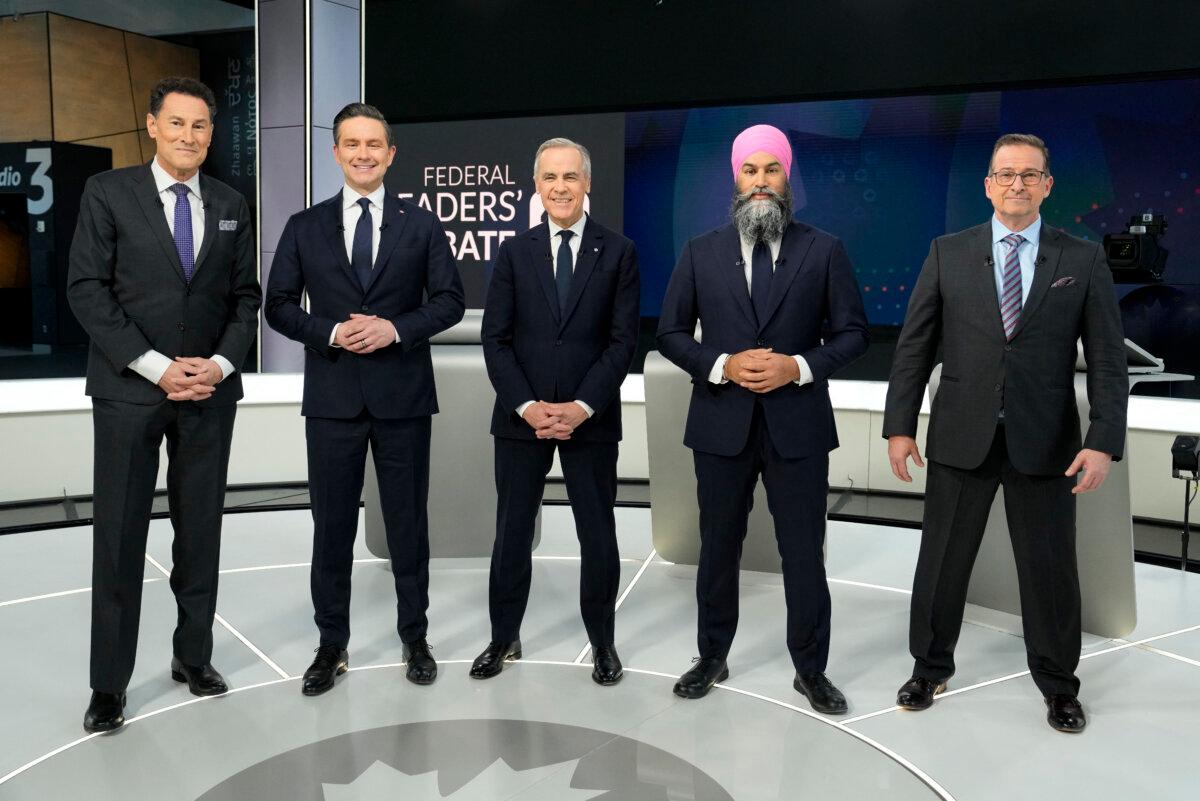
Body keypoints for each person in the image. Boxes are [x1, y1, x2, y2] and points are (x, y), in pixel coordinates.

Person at [882, 133, 1127, 733]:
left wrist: (1101, 439)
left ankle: (1058, 686)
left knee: (1048, 570)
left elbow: (1106, 358)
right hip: (961, 436)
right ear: (988, 184)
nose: (1017, 184)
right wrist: (898, 427)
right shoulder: (948, 251)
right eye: (1005, 174)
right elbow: (914, 347)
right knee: (941, 562)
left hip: (1046, 442)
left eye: (1029, 175)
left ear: (1047, 185)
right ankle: (929, 666)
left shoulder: (1082, 258)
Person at [67, 77, 261, 733]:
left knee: (200, 532)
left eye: (201, 126)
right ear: (151, 125)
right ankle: (109, 685)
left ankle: (193, 657)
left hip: (209, 392)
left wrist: (220, 363)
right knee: (119, 539)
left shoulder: (233, 202)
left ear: (212, 132)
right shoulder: (108, 193)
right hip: (129, 391)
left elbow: (245, 299)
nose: (188, 136)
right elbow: (88, 291)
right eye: (176, 124)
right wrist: (157, 368)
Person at [656, 124, 868, 713]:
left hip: (797, 427)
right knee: (718, 546)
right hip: (720, 426)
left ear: (786, 177)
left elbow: (853, 335)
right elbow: (669, 335)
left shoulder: (823, 250)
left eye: (770, 170)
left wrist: (797, 367)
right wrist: (722, 364)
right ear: (735, 178)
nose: (760, 182)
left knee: (803, 551)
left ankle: (811, 669)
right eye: (750, 170)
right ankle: (711, 656)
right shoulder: (701, 252)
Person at [265, 102, 464, 695]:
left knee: (407, 524)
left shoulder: (421, 224)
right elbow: (276, 305)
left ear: (391, 153)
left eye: (374, 143)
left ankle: (414, 637)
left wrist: (395, 328)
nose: (363, 153)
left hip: (402, 396)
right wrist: (328, 332)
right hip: (332, 400)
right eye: (351, 143)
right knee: (330, 528)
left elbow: (450, 300)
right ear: (335, 153)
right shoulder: (304, 225)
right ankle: (331, 645)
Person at [473, 138, 639, 685]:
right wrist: (527, 406)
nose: (561, 187)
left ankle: (602, 642)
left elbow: (621, 343)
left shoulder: (618, 252)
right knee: (511, 534)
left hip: (590, 422)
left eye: (571, 177)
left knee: (598, 535)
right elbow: (494, 341)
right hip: (522, 423)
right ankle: (502, 637)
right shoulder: (514, 252)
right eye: (550, 178)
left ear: (587, 183)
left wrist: (582, 406)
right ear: (537, 186)